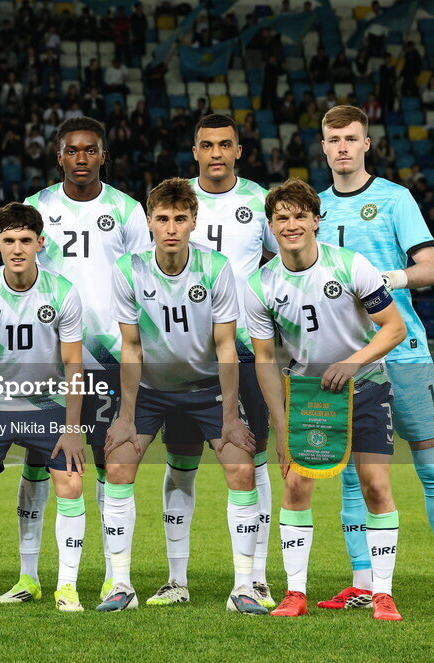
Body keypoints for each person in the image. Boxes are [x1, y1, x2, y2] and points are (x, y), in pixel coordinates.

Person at [318, 105, 434, 614]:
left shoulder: (395, 198)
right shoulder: (314, 208)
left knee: (430, 467)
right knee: (350, 476)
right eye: (333, 139)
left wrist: (391, 278)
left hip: (404, 352)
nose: (342, 146)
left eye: (351, 138)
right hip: (348, 359)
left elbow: (431, 267)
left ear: (366, 143)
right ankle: (363, 581)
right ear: (322, 146)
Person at [98, 177, 264, 614]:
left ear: (194, 222)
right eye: (162, 218)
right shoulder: (128, 270)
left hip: (207, 388)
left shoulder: (216, 268)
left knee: (242, 471)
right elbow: (130, 347)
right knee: (118, 467)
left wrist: (231, 416)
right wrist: (126, 415)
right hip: (151, 390)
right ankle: (120, 585)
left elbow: (227, 346)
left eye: (180, 219)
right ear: (149, 222)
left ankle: (244, 587)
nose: (171, 227)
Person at [247, 177, 407, 621]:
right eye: (282, 218)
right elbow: (264, 361)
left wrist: (353, 363)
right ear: (271, 226)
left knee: (376, 485)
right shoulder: (260, 285)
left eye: (300, 216)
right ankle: (294, 593)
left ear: (317, 221)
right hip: (311, 394)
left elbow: (395, 328)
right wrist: (281, 429)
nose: (292, 224)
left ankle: (382, 592)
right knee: (296, 485)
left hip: (368, 385)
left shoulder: (352, 265)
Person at [11, 116, 149, 604]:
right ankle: (29, 576)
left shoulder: (128, 210)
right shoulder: (37, 207)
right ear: (59, 156)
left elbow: (142, 282)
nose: (82, 158)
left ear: (103, 155)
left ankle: (117, 576)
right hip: (49, 359)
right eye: (73, 150)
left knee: (110, 464)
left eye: (91, 150)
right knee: (37, 462)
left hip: (110, 357)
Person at [0, 202, 87, 613]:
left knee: (71, 481)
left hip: (47, 404)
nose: (17, 249)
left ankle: (66, 586)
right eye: (9, 241)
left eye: (26, 241)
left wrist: (71, 429)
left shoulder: (63, 292)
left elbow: (73, 363)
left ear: (40, 243)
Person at [178, 113, 278, 608]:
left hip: (242, 350)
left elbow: (287, 263)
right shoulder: (175, 201)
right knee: (182, 462)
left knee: (253, 460)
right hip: (181, 353)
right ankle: (177, 579)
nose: (215, 153)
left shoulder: (260, 201)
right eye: (206, 145)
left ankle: (255, 576)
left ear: (239, 150)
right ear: (194, 151)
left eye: (224, 144)